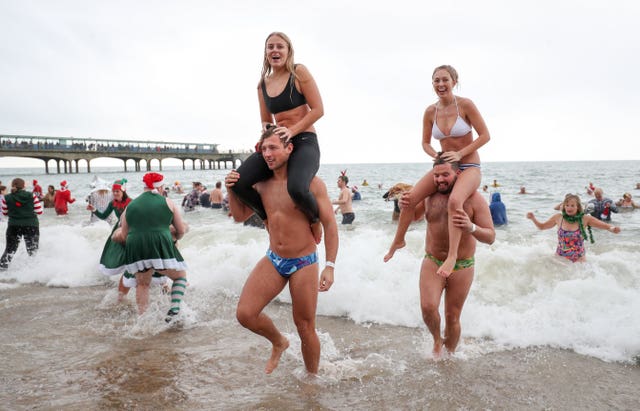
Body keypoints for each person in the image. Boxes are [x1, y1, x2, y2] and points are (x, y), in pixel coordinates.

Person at [225, 127, 338, 375]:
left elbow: (330, 224)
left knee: (305, 326)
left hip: (304, 262)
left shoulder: (311, 184)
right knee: (245, 314)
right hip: (274, 258)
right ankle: (279, 342)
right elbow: (239, 216)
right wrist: (232, 189)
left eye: (273, 147)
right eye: (264, 149)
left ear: (289, 149)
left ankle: (312, 378)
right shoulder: (261, 185)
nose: (267, 153)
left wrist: (330, 266)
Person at [385, 64, 491, 273]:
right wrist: (436, 156)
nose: (441, 84)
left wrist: (460, 154)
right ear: (432, 83)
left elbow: (485, 135)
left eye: (445, 80)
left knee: (454, 200)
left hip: (469, 165)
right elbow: (425, 143)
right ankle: (398, 241)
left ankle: (452, 256)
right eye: (436, 81)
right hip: (444, 166)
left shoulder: (466, 105)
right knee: (409, 197)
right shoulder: (430, 112)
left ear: (454, 82)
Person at [387, 157, 495, 358]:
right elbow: (415, 215)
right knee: (428, 308)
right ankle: (437, 340)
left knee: (452, 317)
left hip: (462, 265)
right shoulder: (429, 197)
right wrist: (403, 205)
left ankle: (450, 355)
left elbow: (490, 237)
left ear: (458, 174)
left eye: (446, 174)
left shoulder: (473, 199)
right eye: (436, 175)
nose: (440, 180)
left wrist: (470, 227)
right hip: (433, 260)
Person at [230, 31, 325, 243]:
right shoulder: (262, 84)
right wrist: (265, 136)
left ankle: (315, 219)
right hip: (278, 144)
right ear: (265, 53)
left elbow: (318, 110)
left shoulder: (299, 72)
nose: (275, 50)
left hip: (304, 140)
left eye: (280, 46)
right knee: (239, 182)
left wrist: (292, 131)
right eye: (270, 47)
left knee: (297, 188)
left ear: (288, 51)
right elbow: (266, 121)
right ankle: (265, 218)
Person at [117, 172, 188, 321]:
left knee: (142, 284)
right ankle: (174, 308)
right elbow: (180, 230)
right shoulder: (168, 202)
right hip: (159, 244)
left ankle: (142, 321)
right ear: (160, 186)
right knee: (180, 277)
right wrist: (174, 240)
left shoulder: (130, 206)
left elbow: (124, 235)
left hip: (136, 247)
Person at [527, 193, 620, 262]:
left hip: (579, 261)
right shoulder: (558, 218)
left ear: (578, 207)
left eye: (572, 205)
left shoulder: (585, 219)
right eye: (567, 205)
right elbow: (542, 227)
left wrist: (612, 229)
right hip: (560, 259)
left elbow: (605, 226)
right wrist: (533, 219)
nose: (569, 208)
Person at [1, 178, 43, 270]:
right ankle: (32, 273)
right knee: (32, 251)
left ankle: (2, 272)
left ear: (12, 185)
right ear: (24, 185)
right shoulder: (32, 196)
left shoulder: (6, 197)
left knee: (10, 250)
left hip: (13, 226)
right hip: (31, 225)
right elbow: (39, 211)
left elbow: (4, 212)